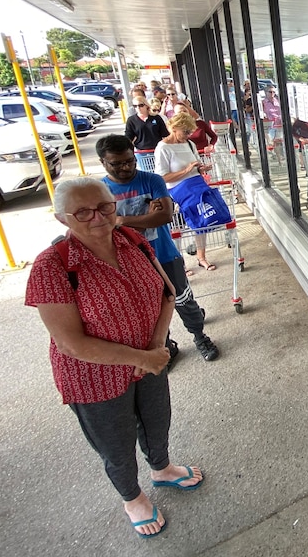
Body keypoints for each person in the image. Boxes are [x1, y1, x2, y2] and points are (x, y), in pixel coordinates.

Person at [25, 176, 204, 539]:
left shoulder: (132, 240)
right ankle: (132, 497)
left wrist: (155, 350)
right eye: (82, 212)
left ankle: (162, 468)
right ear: (63, 218)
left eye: (105, 207)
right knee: (115, 442)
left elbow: (167, 294)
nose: (97, 217)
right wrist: (141, 356)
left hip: (150, 361)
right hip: (94, 379)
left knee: (157, 419)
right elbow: (71, 343)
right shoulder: (52, 266)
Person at [98, 133, 220, 364]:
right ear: (103, 163)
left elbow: (164, 215)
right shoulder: (99, 191)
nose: (125, 167)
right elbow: (102, 228)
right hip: (128, 261)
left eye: (129, 161)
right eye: (117, 163)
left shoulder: (152, 180)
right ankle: (166, 344)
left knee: (183, 300)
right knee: (150, 309)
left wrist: (122, 220)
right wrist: (145, 217)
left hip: (163, 253)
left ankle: (200, 336)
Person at [154, 112, 218, 271]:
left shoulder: (189, 144)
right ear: (174, 128)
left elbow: (196, 166)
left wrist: (201, 168)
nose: (188, 135)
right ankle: (179, 263)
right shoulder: (163, 148)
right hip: (177, 193)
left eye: (190, 132)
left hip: (195, 189)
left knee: (200, 223)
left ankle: (201, 257)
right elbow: (162, 177)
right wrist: (186, 170)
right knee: (178, 229)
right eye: (185, 132)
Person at [124, 96, 169, 170]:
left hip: (157, 149)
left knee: (160, 170)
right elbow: (128, 137)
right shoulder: (131, 120)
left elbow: (165, 134)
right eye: (135, 106)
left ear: (146, 105)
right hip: (142, 152)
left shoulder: (156, 118)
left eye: (141, 105)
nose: (138, 108)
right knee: (147, 171)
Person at [261, 86, 283, 155]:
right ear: (266, 93)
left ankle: (279, 158)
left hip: (279, 125)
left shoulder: (279, 101)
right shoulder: (263, 103)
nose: (272, 94)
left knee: (279, 143)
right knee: (273, 143)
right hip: (270, 126)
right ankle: (278, 159)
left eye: (274, 92)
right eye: (270, 92)